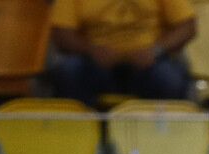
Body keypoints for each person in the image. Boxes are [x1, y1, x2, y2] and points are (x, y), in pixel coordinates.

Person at [49, 0, 195, 103]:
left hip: (149, 64)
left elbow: (187, 27)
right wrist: (90, 50)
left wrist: (155, 51)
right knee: (69, 72)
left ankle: (161, 139)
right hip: (94, 64)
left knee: (170, 80)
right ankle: (80, 138)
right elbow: (61, 33)